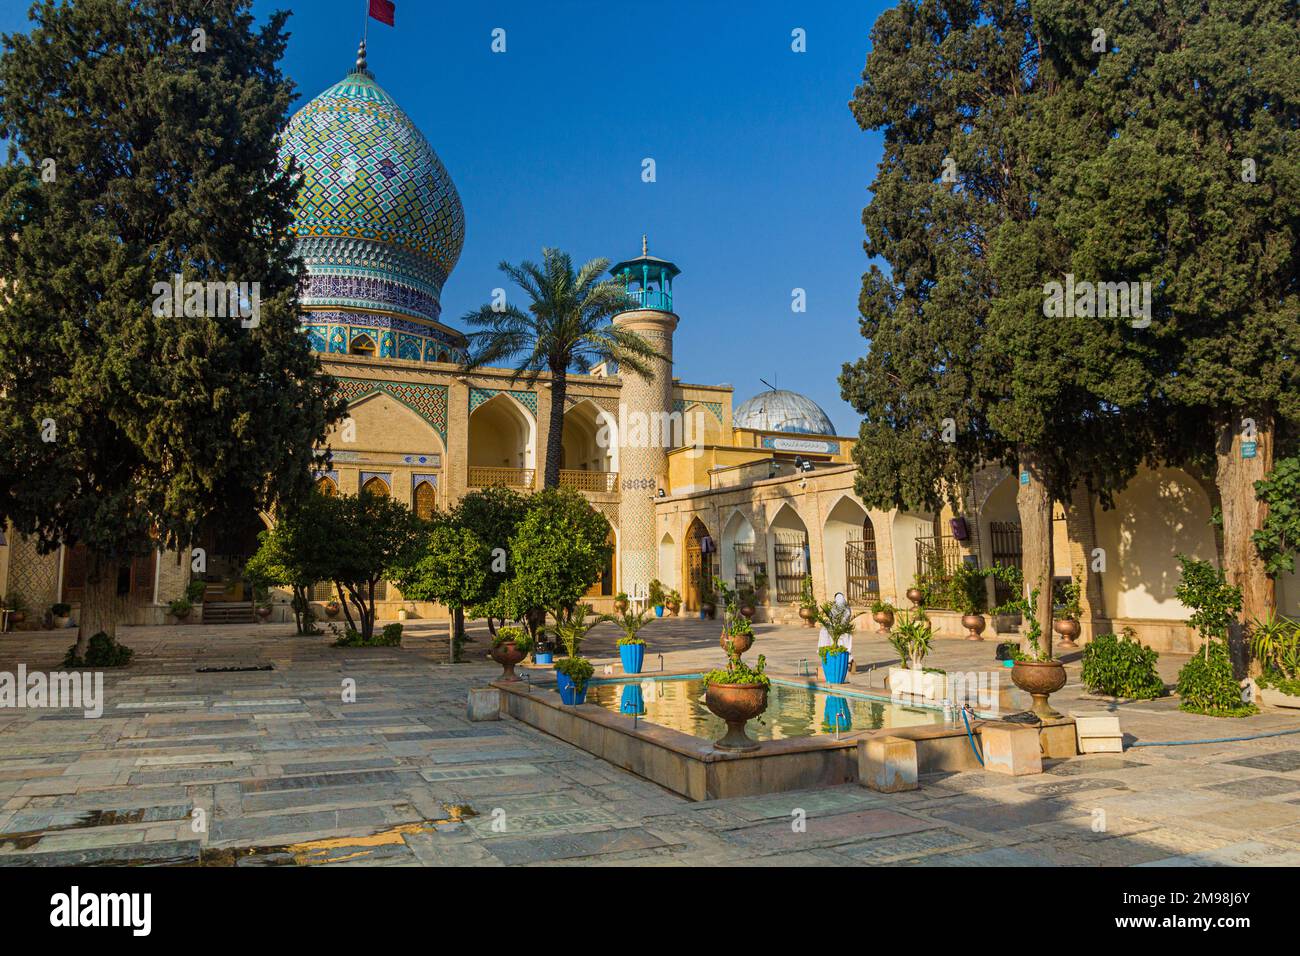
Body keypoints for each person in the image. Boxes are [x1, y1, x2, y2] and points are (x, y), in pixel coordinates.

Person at [816, 592, 854, 672]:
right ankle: (829, 658)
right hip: (836, 631)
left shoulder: (846, 609)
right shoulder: (836, 607)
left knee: (841, 644)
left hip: (842, 631)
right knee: (825, 632)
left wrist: (839, 625)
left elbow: (845, 619)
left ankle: (842, 662)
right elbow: (831, 618)